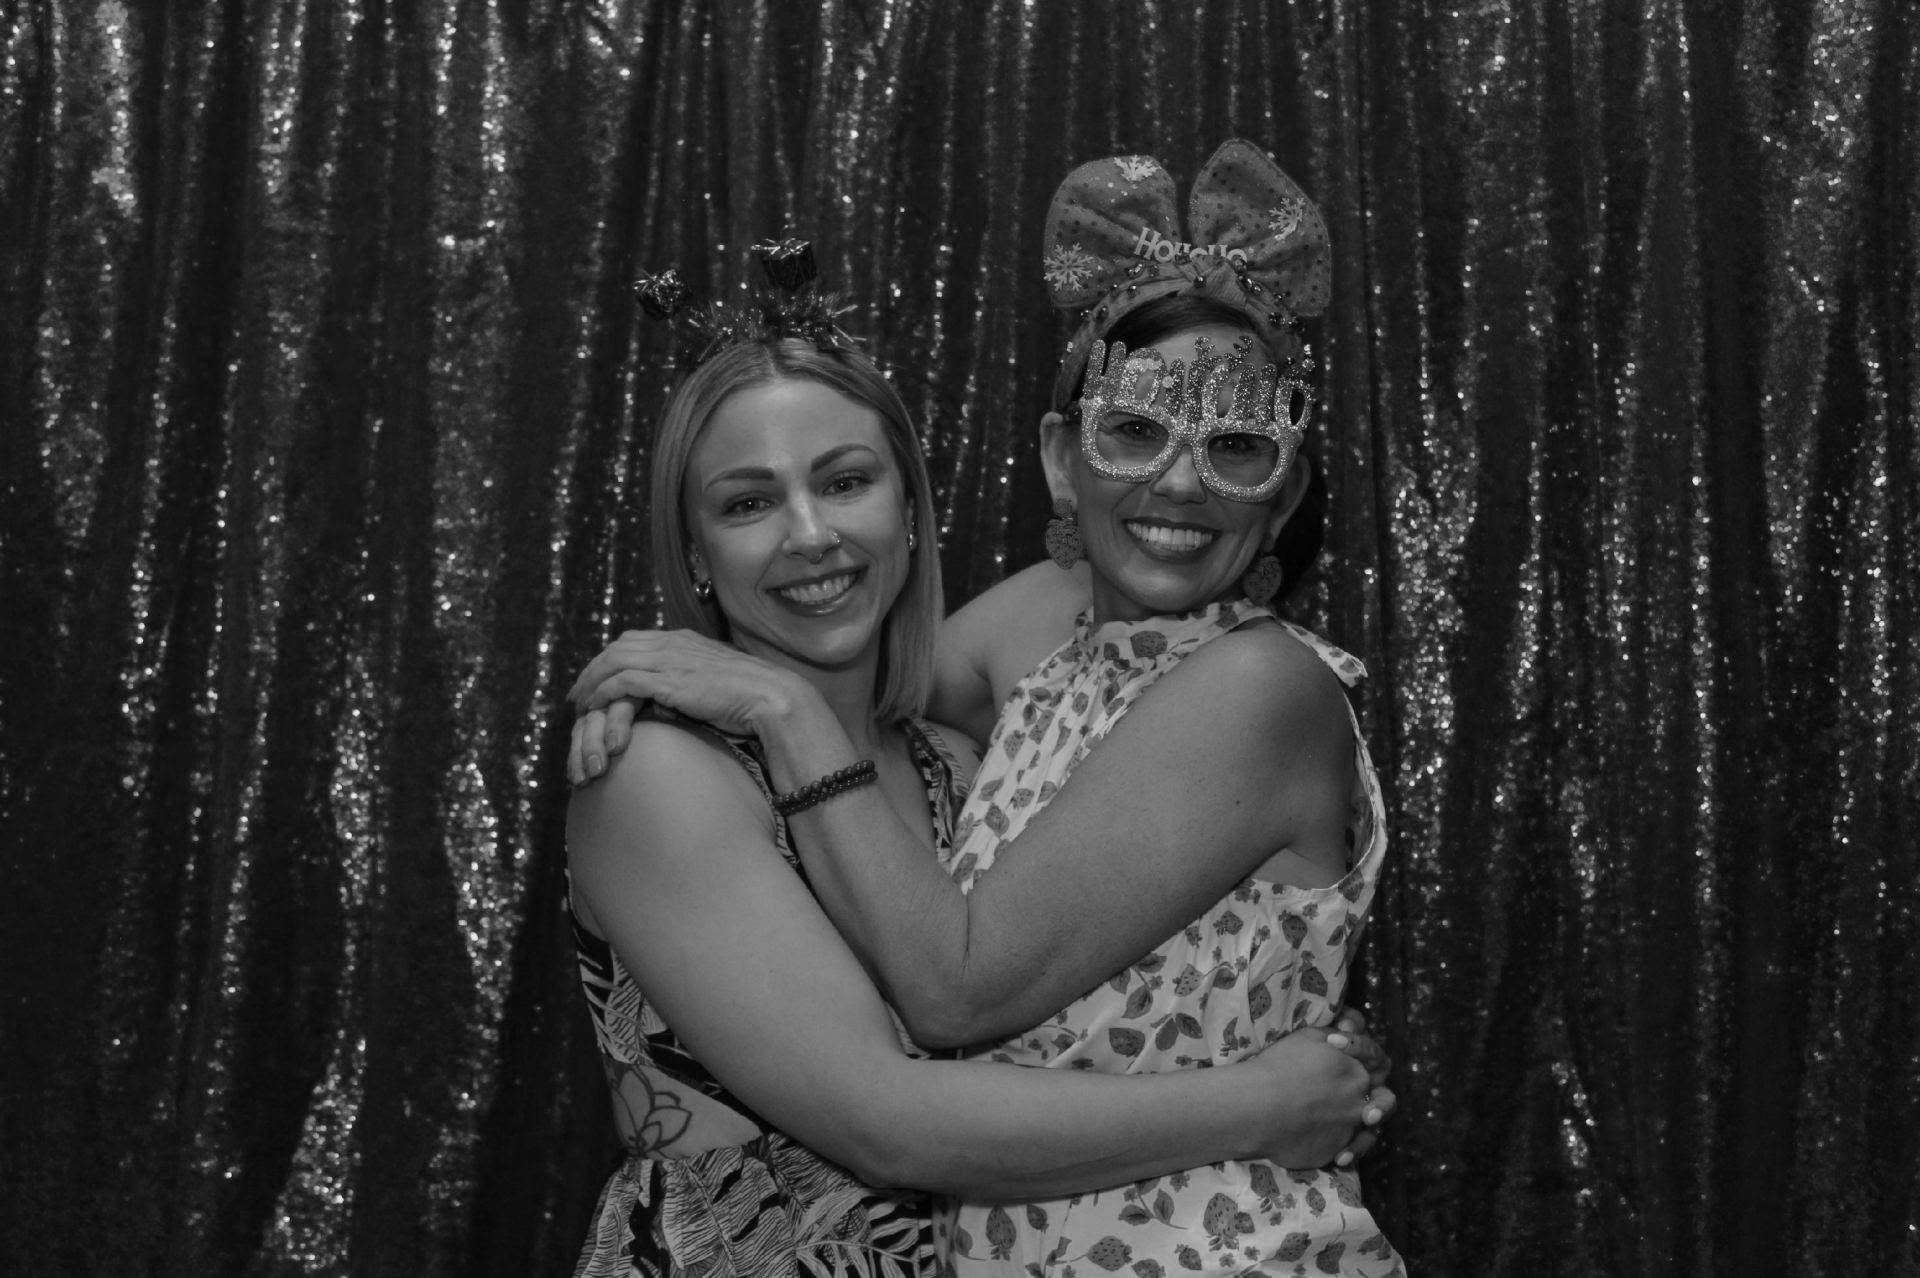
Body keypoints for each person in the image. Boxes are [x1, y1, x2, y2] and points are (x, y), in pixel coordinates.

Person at [571, 143, 1407, 1276]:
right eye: (748, 500)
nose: (812, 536)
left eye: (848, 480)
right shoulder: (669, 774)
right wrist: (1264, 1100)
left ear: (913, 514)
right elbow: (890, 1116)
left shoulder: (955, 752)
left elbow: (1134, 577)